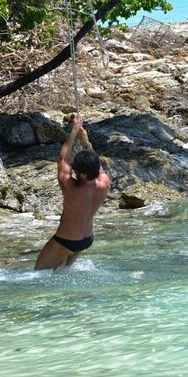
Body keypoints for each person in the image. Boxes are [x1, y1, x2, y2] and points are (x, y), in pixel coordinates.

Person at [34, 114, 111, 271]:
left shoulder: (71, 189)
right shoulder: (104, 182)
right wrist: (85, 140)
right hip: (87, 239)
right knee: (62, 272)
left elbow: (62, 159)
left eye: (76, 169)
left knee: (38, 275)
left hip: (66, 240)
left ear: (82, 175)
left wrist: (74, 130)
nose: (73, 169)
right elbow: (95, 161)